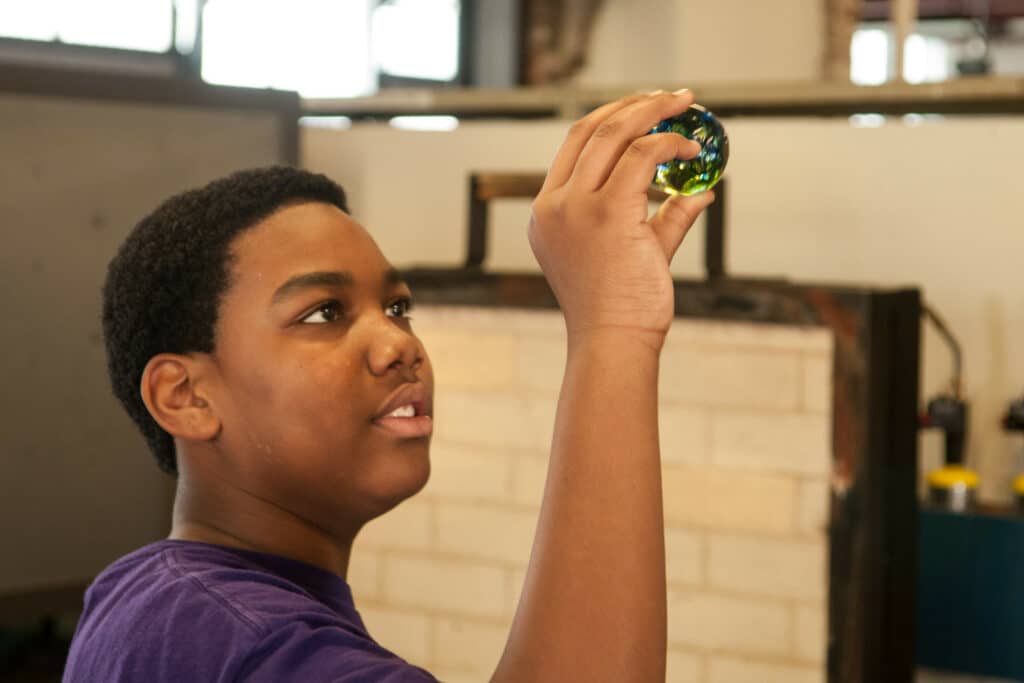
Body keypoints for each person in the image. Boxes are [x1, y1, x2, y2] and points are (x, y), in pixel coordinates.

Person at [62, 90, 714, 682]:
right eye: (324, 312)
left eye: (397, 307)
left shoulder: (147, 593)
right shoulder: (242, 639)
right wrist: (613, 330)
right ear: (186, 395)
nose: (398, 344)